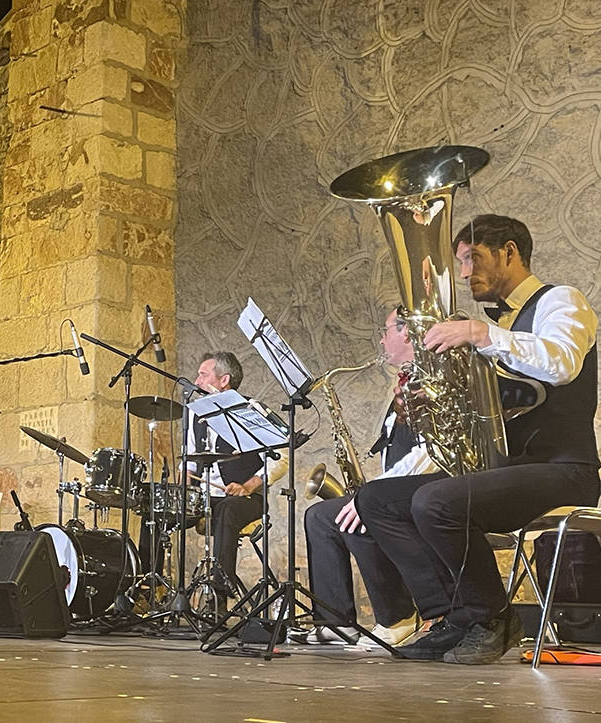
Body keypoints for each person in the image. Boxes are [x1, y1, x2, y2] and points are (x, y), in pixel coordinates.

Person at [356, 214, 599, 664]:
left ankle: (492, 618)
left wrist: (480, 332)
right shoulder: (495, 328)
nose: (465, 273)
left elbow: (563, 363)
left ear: (509, 251)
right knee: (376, 500)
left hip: (564, 469)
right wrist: (424, 407)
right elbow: (480, 411)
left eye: (472, 259)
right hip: (509, 469)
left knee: (436, 502)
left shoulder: (561, 301)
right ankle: (451, 616)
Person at [302, 309, 436, 646]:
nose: (380, 338)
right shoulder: (404, 381)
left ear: (407, 334)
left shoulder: (430, 381)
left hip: (428, 490)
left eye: (386, 330)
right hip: (399, 489)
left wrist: (373, 495)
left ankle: (397, 617)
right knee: (319, 516)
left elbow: (430, 453)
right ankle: (336, 622)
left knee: (358, 513)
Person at [182, 352, 285, 596]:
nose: (196, 381)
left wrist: (248, 486)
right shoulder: (196, 413)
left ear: (224, 380)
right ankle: (145, 592)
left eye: (203, 375)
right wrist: (181, 490)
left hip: (247, 499)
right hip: (204, 496)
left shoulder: (251, 410)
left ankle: (220, 594)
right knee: (156, 506)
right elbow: (189, 461)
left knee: (227, 509)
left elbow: (282, 457)